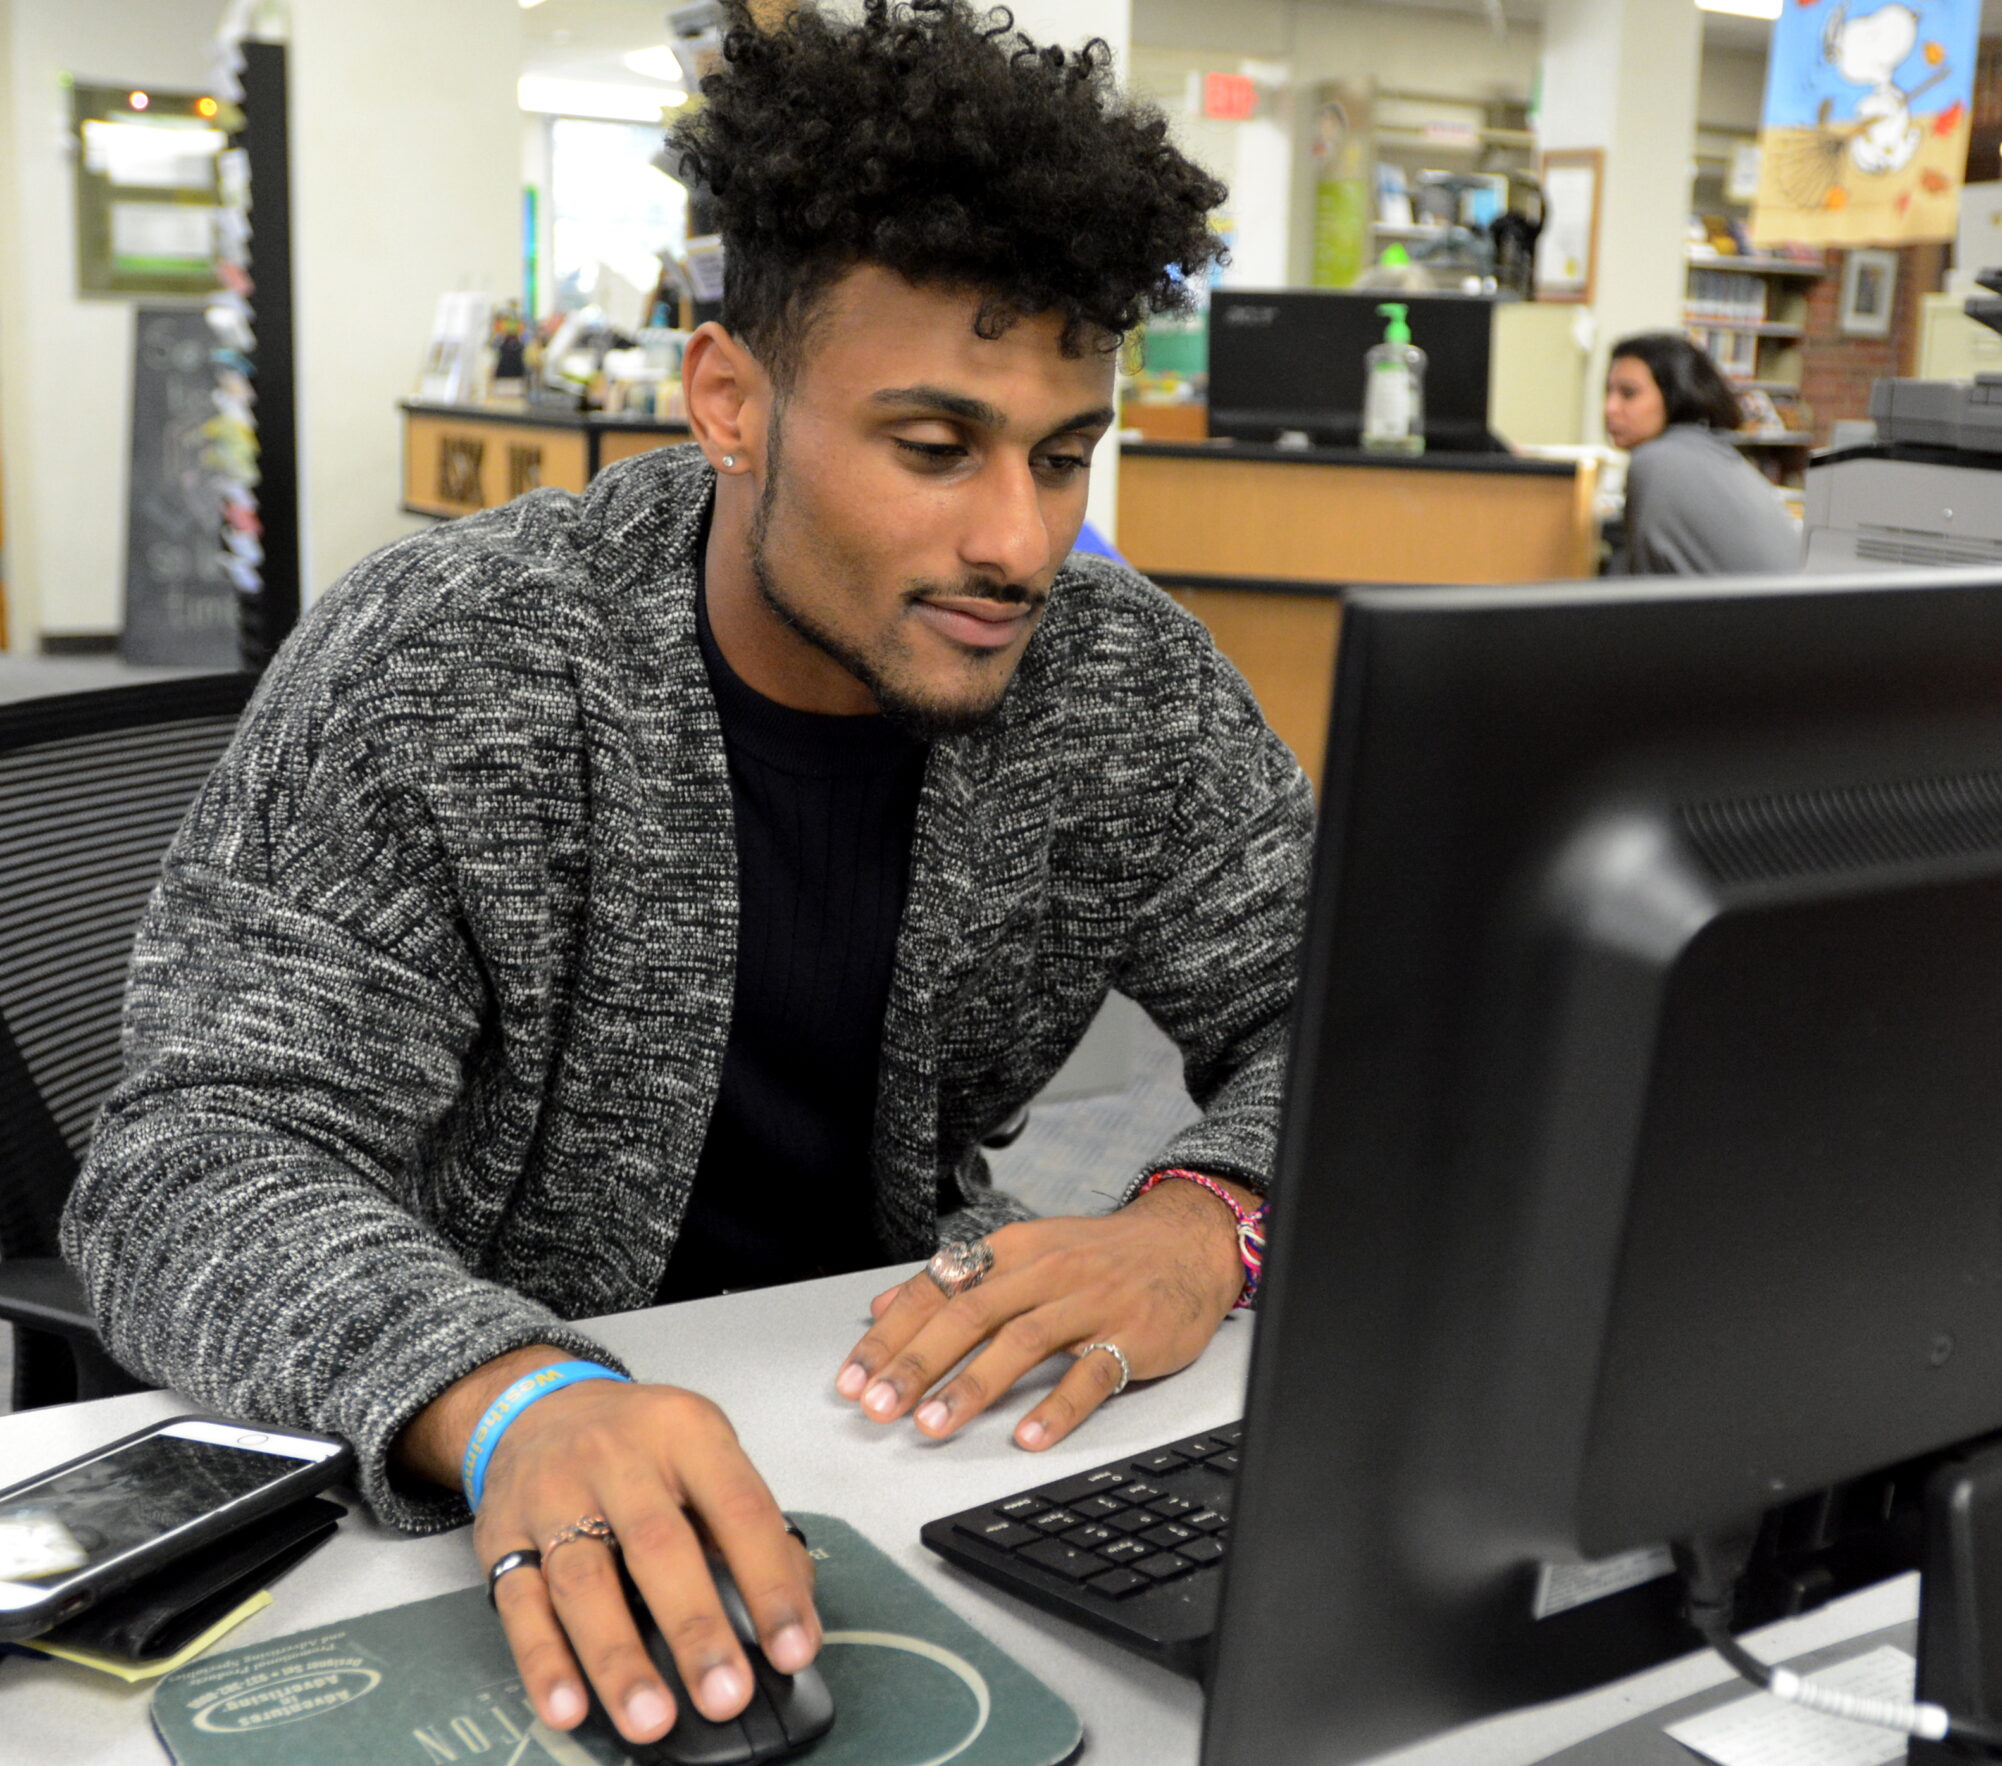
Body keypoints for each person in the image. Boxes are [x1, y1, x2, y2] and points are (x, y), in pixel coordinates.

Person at [64, 1, 1305, 1751]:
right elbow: (191, 1156)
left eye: (1065, 452)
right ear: (730, 400)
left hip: (864, 1420)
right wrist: (510, 1397)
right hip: (433, 1479)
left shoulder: (1121, 685)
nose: (1021, 543)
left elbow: (1374, 1012)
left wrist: (1209, 1220)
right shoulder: (454, 660)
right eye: (934, 448)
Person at [1601, 331, 1803, 576]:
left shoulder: (1658, 460)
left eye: (1628, 393)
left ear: (1674, 394)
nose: (1609, 408)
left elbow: (1640, 591)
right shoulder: (1710, 454)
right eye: (1608, 392)